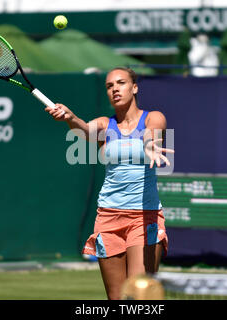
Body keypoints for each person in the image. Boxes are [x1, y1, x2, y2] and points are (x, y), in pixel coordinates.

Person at [45, 67, 174, 300]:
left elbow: (151, 133)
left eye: (121, 83)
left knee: (140, 295)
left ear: (134, 88)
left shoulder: (153, 117)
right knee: (116, 299)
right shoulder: (105, 125)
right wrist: (70, 117)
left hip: (143, 217)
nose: (115, 88)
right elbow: (84, 130)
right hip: (108, 218)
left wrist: (149, 144)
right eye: (109, 86)